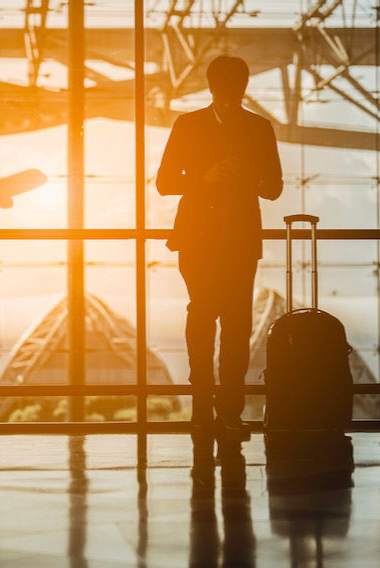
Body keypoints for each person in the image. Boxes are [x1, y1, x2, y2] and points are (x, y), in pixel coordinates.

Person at [156, 55, 283, 441]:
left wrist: (251, 177)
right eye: (225, 90)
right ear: (216, 88)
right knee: (219, 319)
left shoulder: (251, 129)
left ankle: (216, 412)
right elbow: (164, 182)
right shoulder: (199, 125)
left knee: (226, 322)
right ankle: (219, 412)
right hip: (209, 238)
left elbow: (273, 188)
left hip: (224, 238)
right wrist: (205, 177)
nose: (229, 97)